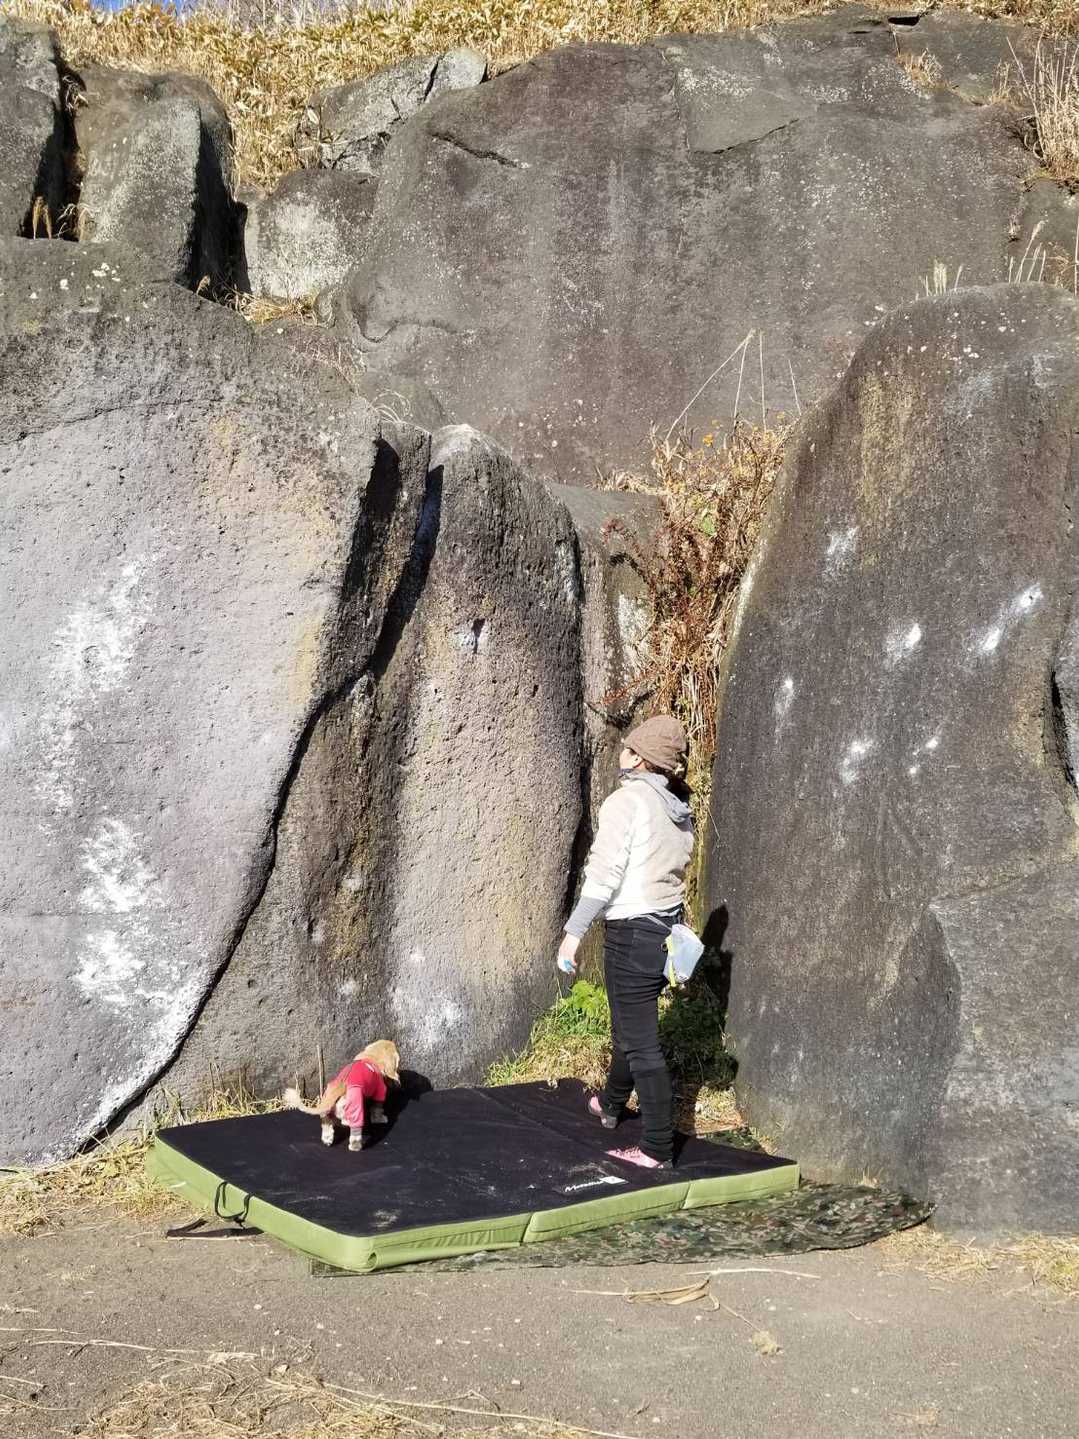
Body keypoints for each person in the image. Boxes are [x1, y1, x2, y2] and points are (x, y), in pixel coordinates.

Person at [557, 715, 694, 1171]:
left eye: (628, 747)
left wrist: (573, 933)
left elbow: (603, 875)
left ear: (638, 758)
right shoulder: (677, 807)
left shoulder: (626, 802)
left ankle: (656, 1148)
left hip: (633, 932)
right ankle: (612, 1103)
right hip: (663, 932)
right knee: (629, 1027)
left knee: (641, 1044)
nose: (622, 751)